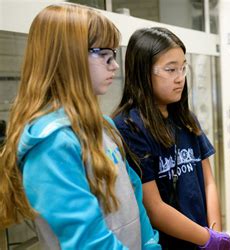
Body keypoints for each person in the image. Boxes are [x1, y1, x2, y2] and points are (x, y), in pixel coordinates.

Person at [0, 3, 161, 249]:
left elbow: (134, 197)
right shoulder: (52, 143)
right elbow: (88, 241)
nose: (115, 66)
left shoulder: (104, 127)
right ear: (68, 57)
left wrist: (150, 244)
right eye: (105, 55)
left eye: (114, 56)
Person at [112, 27, 230, 250]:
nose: (180, 78)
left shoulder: (185, 118)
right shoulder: (129, 127)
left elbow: (209, 182)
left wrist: (214, 232)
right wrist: (206, 238)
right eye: (170, 70)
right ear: (143, 72)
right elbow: (154, 208)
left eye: (183, 68)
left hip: (202, 238)